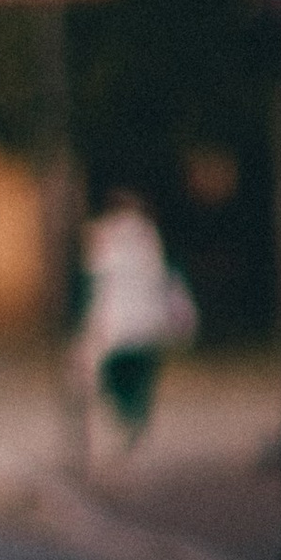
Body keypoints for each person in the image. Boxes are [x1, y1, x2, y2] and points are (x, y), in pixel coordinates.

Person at [76, 187, 197, 448]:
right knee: (141, 376)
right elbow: (165, 278)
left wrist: (86, 321)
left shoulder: (102, 234)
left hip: (114, 322)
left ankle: (124, 417)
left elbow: (92, 282)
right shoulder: (151, 236)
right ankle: (136, 418)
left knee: (112, 376)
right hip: (147, 322)